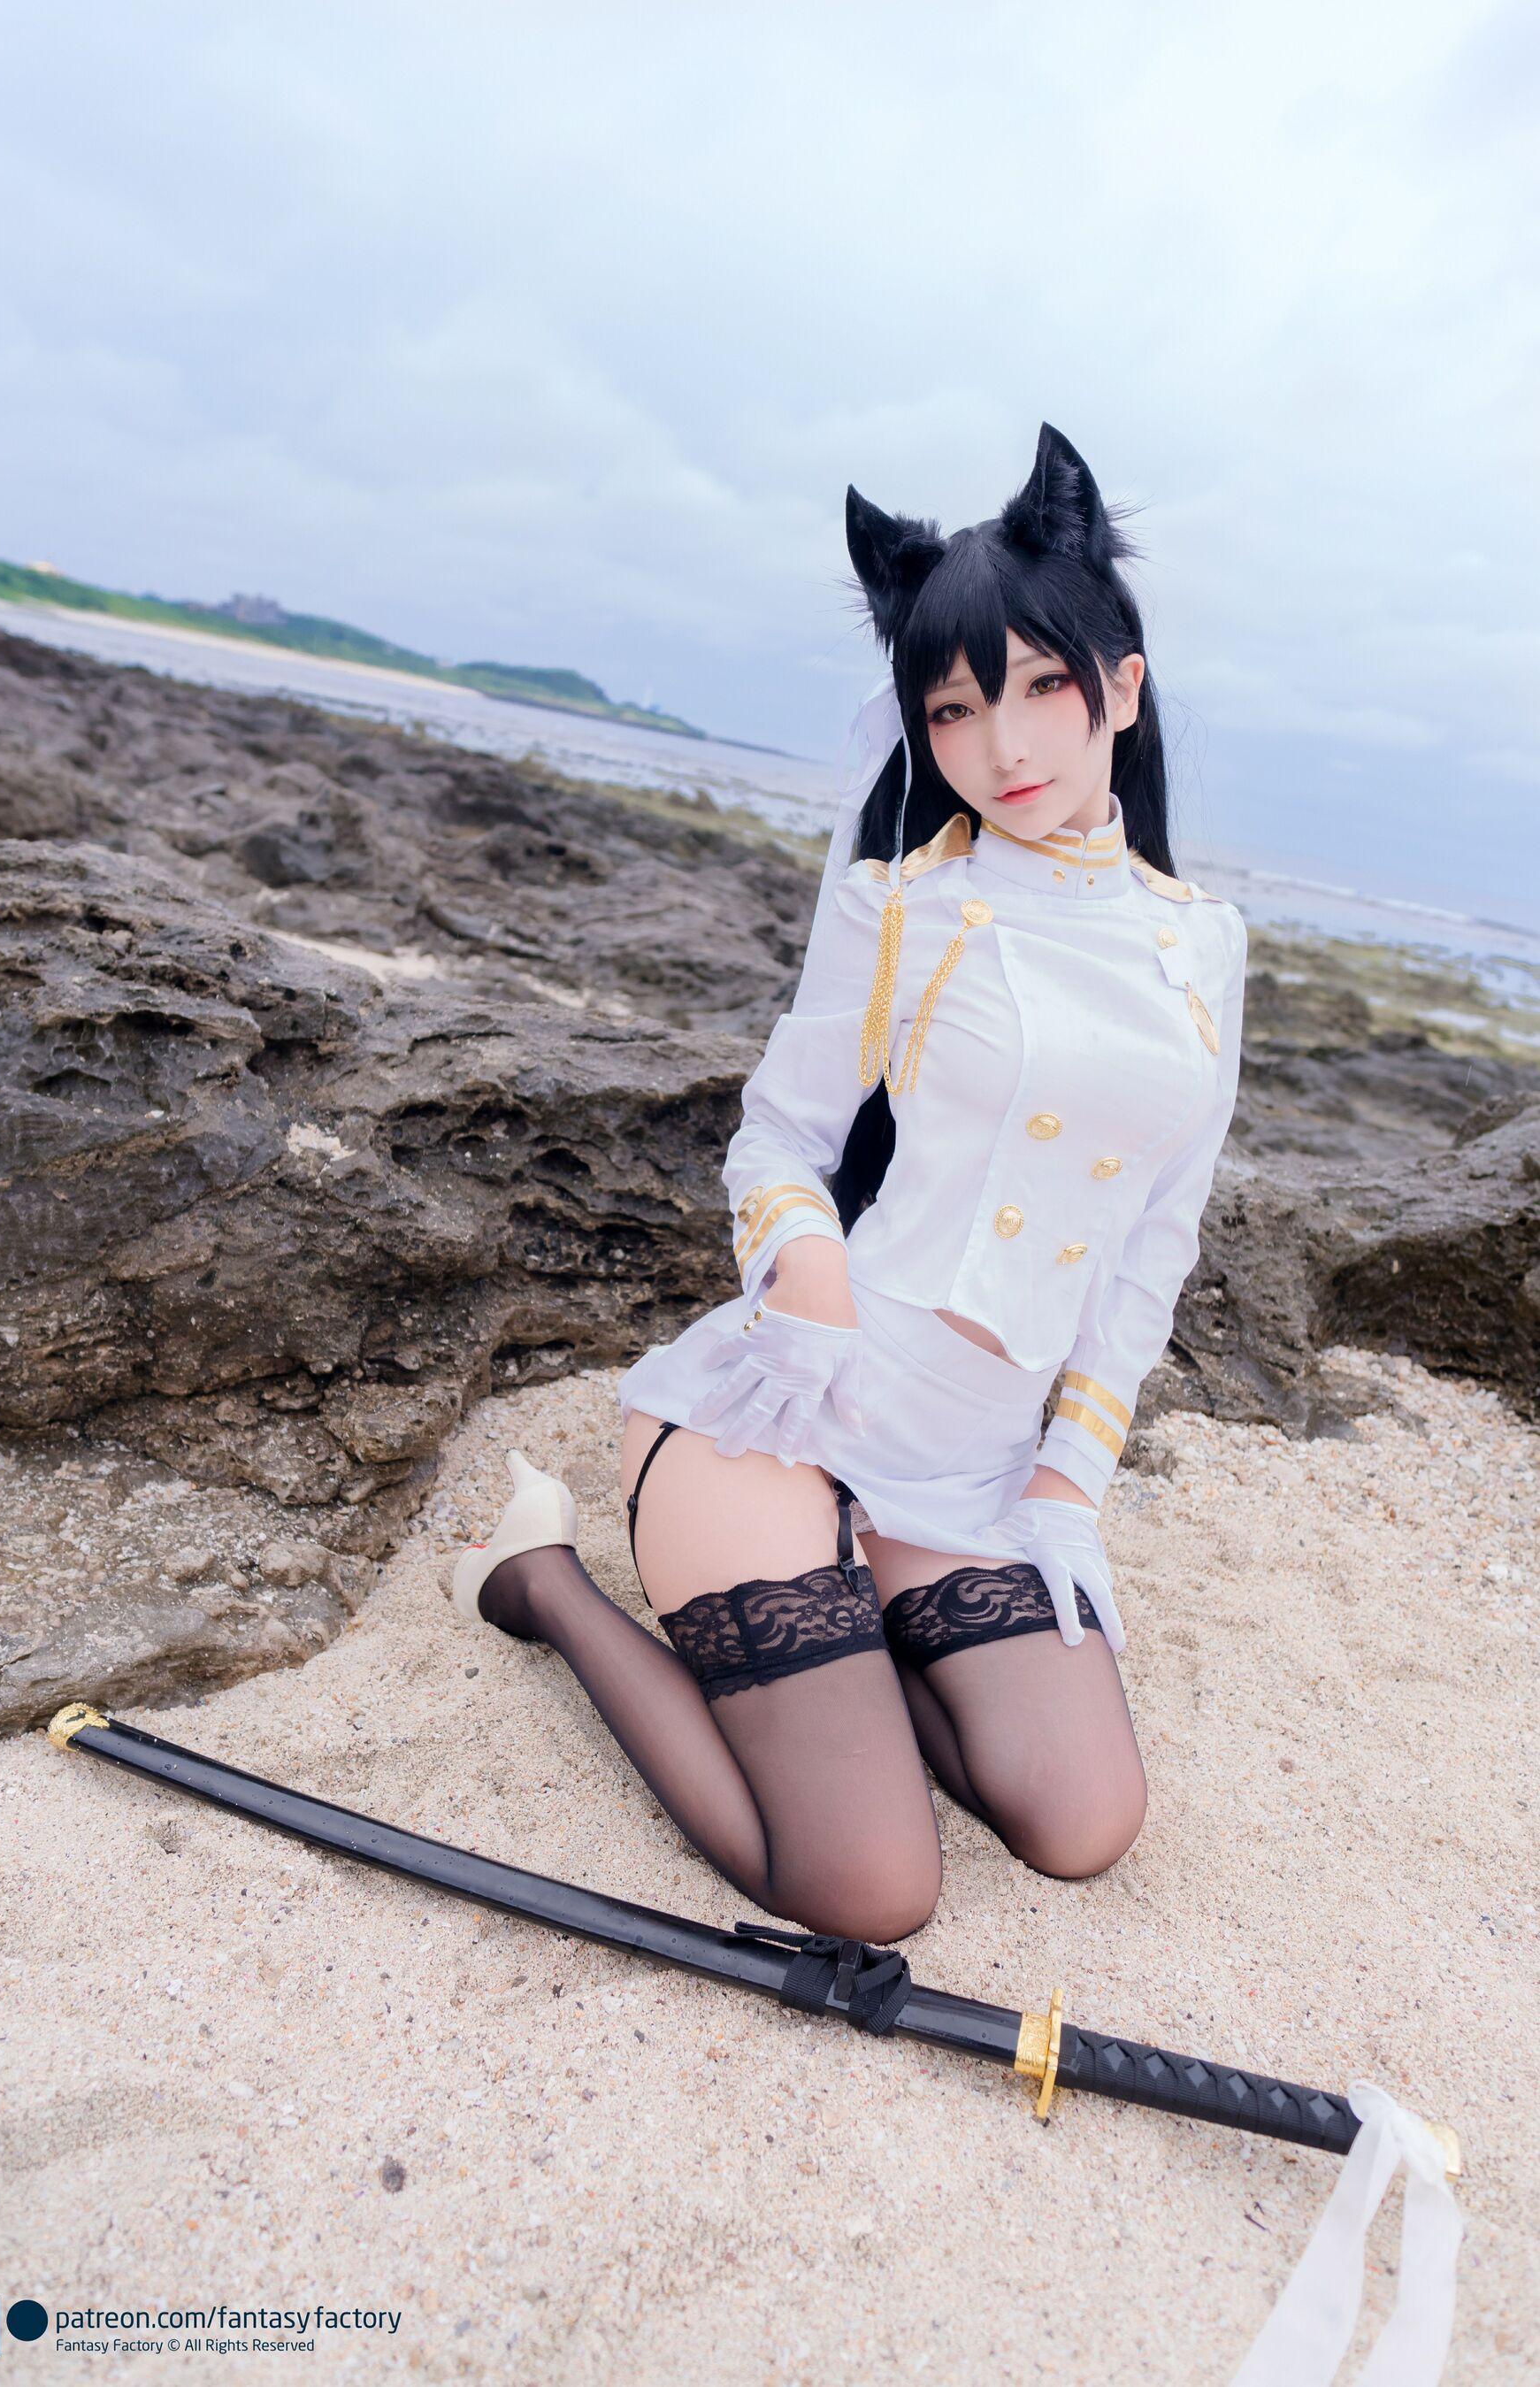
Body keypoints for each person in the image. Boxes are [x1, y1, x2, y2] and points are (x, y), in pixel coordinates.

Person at [448, 421, 1247, 1948]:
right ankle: (541, 1576)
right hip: (791, 1415)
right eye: (956, 708)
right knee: (867, 1889)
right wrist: (801, 1258)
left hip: (967, 1477)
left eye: (1041, 687)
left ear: (1123, 687)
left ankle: (864, 1608)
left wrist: (1068, 1487)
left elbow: (1156, 1241)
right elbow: (777, 1135)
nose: (1004, 746)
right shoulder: (904, 905)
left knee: (1083, 1823)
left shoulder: (1203, 945)